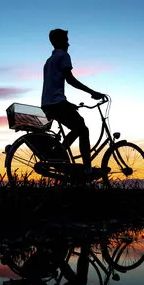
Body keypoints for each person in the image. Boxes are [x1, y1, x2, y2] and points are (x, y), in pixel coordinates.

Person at [41, 28, 106, 177]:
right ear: (59, 42)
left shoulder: (49, 61)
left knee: (77, 128)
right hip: (57, 103)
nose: (68, 44)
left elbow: (53, 85)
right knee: (83, 129)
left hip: (48, 103)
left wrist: (67, 104)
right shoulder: (64, 56)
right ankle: (87, 169)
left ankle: (57, 154)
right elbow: (70, 79)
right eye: (66, 40)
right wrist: (92, 92)